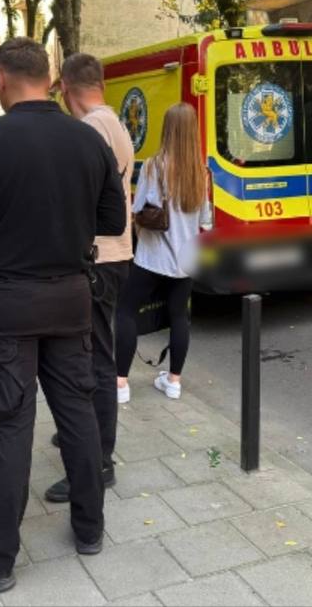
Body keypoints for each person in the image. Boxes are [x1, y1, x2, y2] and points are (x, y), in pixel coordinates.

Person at [0, 37, 126, 593]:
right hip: (71, 296)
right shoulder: (86, 138)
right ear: (51, 79)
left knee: (10, 425)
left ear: (1, 79)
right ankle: (89, 528)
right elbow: (113, 220)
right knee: (78, 414)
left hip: (7, 304)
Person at [44, 53, 134, 503]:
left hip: (99, 257)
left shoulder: (91, 129)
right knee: (94, 353)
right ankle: (85, 437)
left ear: (65, 87)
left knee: (93, 361)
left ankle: (99, 460)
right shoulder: (112, 123)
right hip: (114, 254)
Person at [114, 102, 208, 401]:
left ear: (167, 130)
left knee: (126, 311)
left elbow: (138, 208)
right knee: (179, 317)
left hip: (153, 257)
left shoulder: (154, 166)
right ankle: (174, 381)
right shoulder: (201, 171)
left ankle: (120, 383)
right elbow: (205, 219)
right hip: (186, 259)